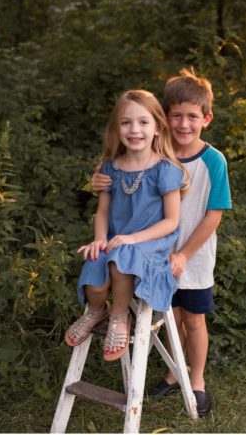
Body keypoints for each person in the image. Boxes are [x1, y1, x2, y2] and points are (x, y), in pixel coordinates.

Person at [91, 68, 230, 416]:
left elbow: (214, 214)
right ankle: (174, 372)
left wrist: (184, 253)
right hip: (153, 253)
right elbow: (122, 177)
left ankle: (195, 380)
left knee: (194, 319)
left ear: (206, 119)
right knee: (170, 315)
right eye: (176, 116)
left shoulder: (213, 160)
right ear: (164, 119)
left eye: (192, 117)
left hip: (192, 256)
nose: (184, 124)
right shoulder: (158, 155)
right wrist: (98, 180)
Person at [65, 89, 189, 363]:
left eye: (143, 122)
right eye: (126, 122)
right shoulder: (111, 167)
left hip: (150, 244)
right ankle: (96, 311)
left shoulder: (165, 170)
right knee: (97, 260)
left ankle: (120, 316)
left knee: (120, 259)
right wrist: (99, 238)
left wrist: (132, 239)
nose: (135, 130)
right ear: (116, 128)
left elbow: (171, 221)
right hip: (116, 240)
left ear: (158, 127)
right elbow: (102, 212)